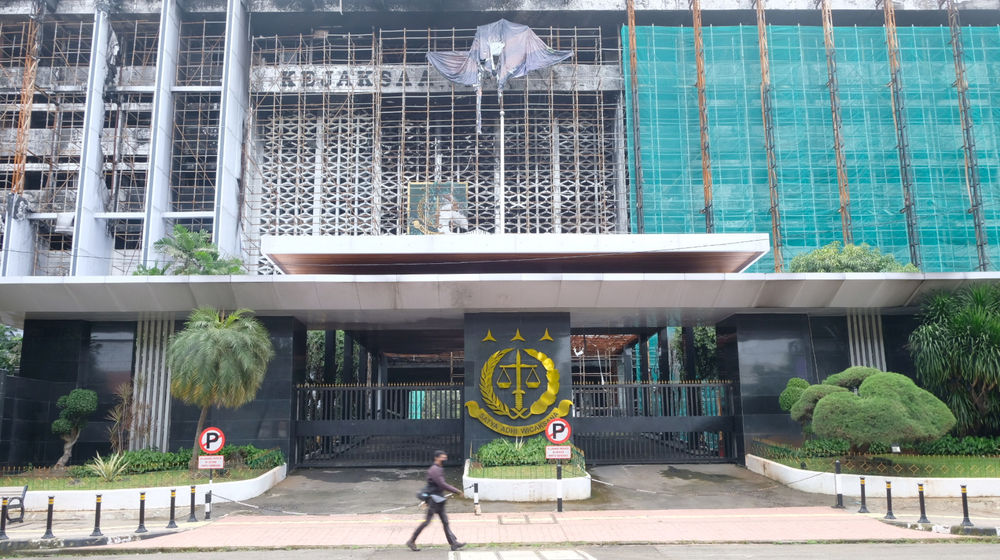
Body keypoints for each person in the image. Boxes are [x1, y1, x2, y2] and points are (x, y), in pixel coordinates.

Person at [406, 450, 465, 552]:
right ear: (436, 458)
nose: (444, 459)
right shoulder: (435, 470)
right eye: (442, 457)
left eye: (445, 457)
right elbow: (442, 484)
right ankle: (411, 541)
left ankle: (453, 543)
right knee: (427, 522)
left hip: (439, 500)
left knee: (445, 522)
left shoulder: (438, 468)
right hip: (434, 501)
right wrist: (456, 491)